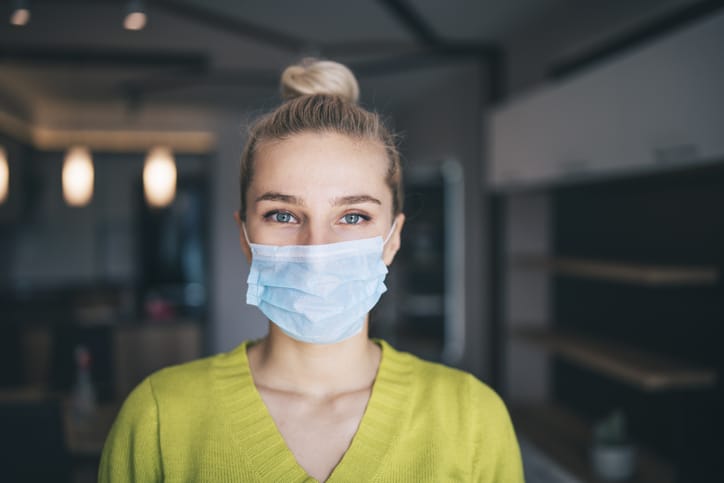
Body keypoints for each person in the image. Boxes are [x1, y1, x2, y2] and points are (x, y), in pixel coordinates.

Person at [99, 58, 524, 482]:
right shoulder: (158, 418)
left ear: (392, 239)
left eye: (353, 216)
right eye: (282, 215)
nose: (316, 249)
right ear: (245, 237)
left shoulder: (473, 419)